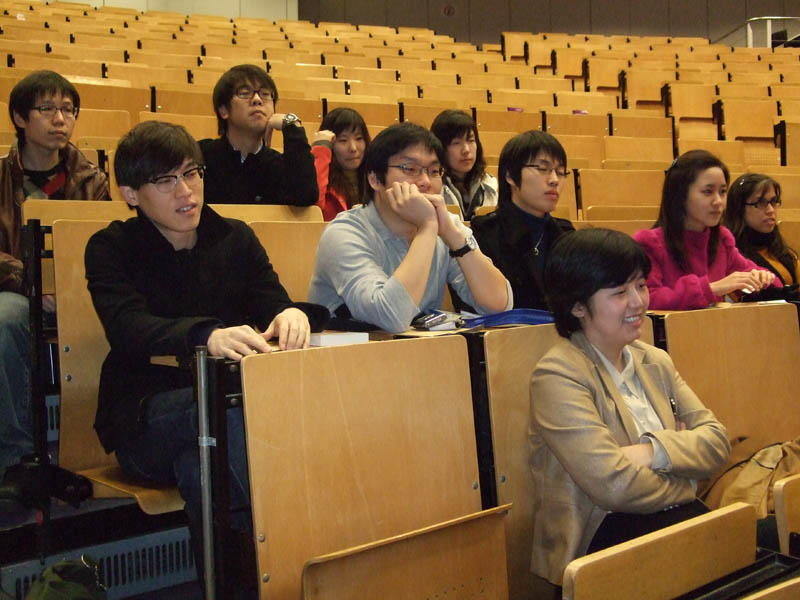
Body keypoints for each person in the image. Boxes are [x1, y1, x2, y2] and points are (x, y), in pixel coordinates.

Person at [84, 121, 328, 583]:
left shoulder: (235, 237)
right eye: (165, 180)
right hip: (144, 418)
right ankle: (301, 560)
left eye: (192, 173)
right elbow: (129, 329)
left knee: (201, 469)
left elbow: (271, 301)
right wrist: (205, 335)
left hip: (224, 414)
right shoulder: (111, 247)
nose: (186, 191)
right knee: (228, 413)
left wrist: (291, 314)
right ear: (131, 193)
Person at [530, 227, 730, 591]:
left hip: (667, 521)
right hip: (599, 537)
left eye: (640, 285)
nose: (638, 302)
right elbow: (614, 485)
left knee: (740, 548)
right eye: (620, 292)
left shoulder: (654, 360)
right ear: (577, 306)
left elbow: (717, 442)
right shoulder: (558, 374)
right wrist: (687, 477)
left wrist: (650, 452)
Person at [0, 70, 109, 480]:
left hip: (77, 290)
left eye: (68, 109)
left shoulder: (92, 181)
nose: (60, 119)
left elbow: (103, 247)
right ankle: (17, 460)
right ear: (20, 117)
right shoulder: (0, 178)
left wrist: (66, 287)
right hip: (16, 292)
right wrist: (35, 285)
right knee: (5, 318)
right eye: (47, 109)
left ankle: (98, 452)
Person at [308, 122, 512, 333]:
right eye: (410, 169)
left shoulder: (446, 226)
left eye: (434, 171)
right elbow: (390, 318)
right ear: (375, 179)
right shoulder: (344, 233)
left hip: (418, 351)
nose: (425, 181)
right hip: (352, 352)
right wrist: (427, 227)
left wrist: (453, 236)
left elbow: (499, 305)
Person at [633, 150, 778, 310]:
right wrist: (711, 289)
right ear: (680, 195)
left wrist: (762, 277)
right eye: (708, 192)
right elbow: (647, 299)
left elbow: (758, 274)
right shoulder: (649, 243)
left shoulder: (722, 239)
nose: (718, 201)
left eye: (722, 192)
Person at [470, 131, 574, 310]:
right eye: (542, 169)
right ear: (510, 175)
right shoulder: (484, 234)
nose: (554, 180)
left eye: (560, 172)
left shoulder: (566, 235)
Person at [199, 64, 318, 206]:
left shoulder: (280, 165)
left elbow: (306, 196)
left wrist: (291, 125)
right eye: (244, 93)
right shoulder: (199, 156)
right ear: (223, 110)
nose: (257, 99)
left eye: (265, 94)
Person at [724, 173, 797, 286]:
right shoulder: (730, 254)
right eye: (760, 203)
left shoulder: (782, 251)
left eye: (774, 201)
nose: (771, 210)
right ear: (739, 208)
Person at [430, 109, 497, 221]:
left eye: (470, 140)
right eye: (456, 143)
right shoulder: (432, 187)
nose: (466, 150)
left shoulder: (489, 184)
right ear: (440, 148)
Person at [311, 107, 370, 221]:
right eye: (343, 140)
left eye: (359, 138)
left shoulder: (375, 178)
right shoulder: (322, 181)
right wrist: (321, 148)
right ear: (330, 145)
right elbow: (314, 208)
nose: (353, 148)